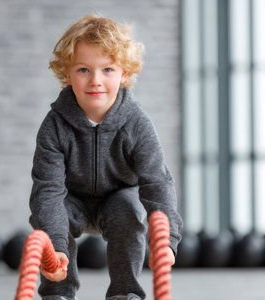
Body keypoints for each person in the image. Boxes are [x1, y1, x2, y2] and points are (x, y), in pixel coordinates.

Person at [29, 14, 183, 300]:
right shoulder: (54, 125)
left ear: (124, 73)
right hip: (70, 198)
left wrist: (167, 240)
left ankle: (124, 292)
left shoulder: (137, 123)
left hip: (118, 197)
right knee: (52, 213)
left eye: (108, 69)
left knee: (128, 206)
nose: (95, 81)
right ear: (68, 74)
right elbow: (47, 190)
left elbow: (156, 182)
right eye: (84, 70)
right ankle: (58, 292)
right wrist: (56, 250)